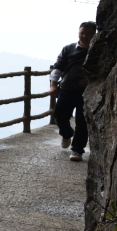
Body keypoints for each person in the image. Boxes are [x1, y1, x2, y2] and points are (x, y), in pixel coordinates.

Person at [49, 22, 96, 162]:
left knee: (82, 121)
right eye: (82, 32)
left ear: (94, 34)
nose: (84, 36)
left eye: (88, 33)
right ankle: (67, 133)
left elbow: (105, 70)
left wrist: (92, 80)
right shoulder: (68, 49)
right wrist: (53, 85)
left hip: (87, 92)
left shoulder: (97, 50)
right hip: (66, 89)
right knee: (59, 115)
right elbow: (58, 67)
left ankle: (77, 150)